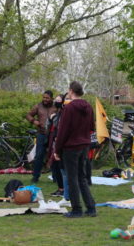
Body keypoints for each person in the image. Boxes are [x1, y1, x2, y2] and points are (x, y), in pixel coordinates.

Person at [52, 81, 97, 218]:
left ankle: (76, 209)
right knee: (82, 177)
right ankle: (91, 208)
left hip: (71, 147)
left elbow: (63, 131)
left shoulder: (69, 108)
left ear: (71, 91)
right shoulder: (88, 107)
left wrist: (57, 150)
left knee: (72, 179)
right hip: (84, 145)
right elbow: (91, 127)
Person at [27, 90, 56, 183]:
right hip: (41, 134)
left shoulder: (56, 107)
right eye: (44, 97)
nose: (45, 99)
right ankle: (35, 176)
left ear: (52, 98)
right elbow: (28, 115)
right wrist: (34, 121)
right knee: (39, 156)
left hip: (53, 135)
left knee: (54, 156)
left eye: (47, 98)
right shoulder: (38, 106)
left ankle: (56, 177)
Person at [46, 95, 70, 205]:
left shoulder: (65, 113)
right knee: (58, 168)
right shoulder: (58, 113)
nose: (56, 101)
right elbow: (53, 127)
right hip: (56, 143)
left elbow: (61, 129)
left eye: (58, 99)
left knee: (64, 170)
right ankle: (63, 192)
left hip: (64, 145)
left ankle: (66, 194)